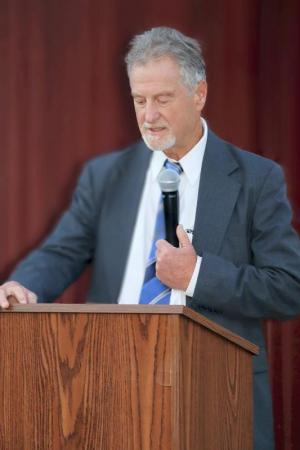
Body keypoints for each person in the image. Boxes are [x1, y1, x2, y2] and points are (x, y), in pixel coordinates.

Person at [1, 26, 300, 449]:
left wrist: (196, 275)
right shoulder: (106, 176)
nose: (148, 115)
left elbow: (289, 288)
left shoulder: (255, 179)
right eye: (139, 100)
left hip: (216, 396)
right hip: (109, 389)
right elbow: (62, 250)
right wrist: (24, 284)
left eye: (162, 99)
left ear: (199, 95)